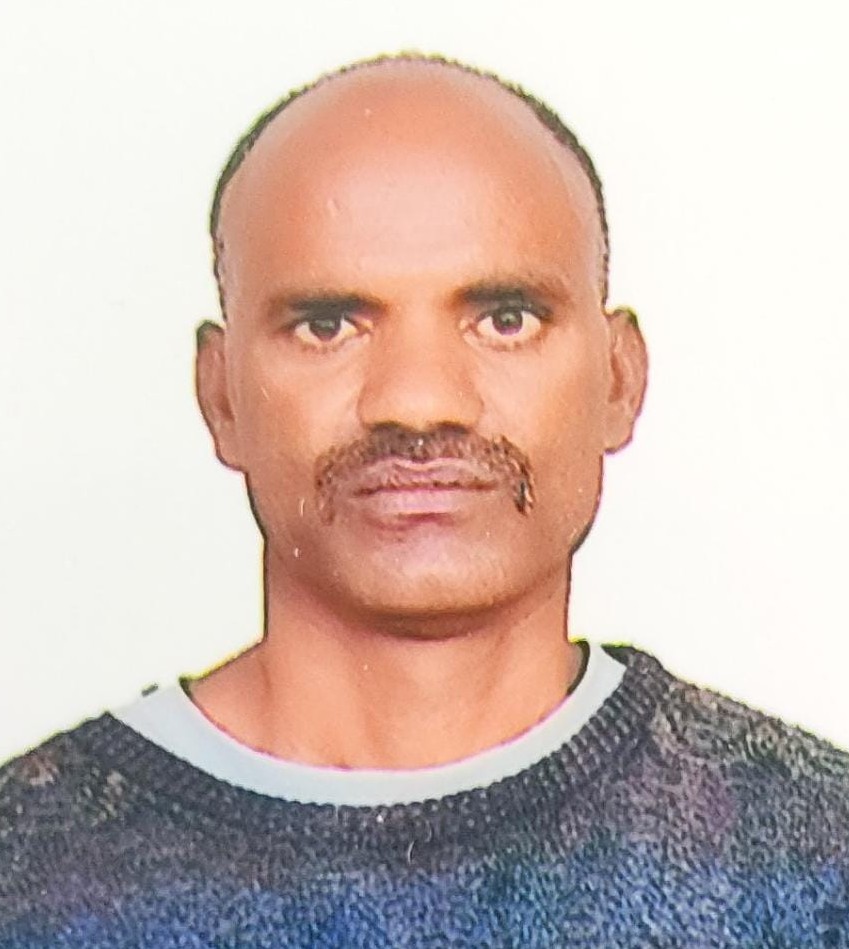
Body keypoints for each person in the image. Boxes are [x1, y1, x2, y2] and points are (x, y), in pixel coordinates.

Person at [1, 52, 847, 948]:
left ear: (618, 378)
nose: (417, 399)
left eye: (506, 318)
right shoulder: (27, 878)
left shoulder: (814, 860)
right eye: (327, 325)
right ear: (221, 396)